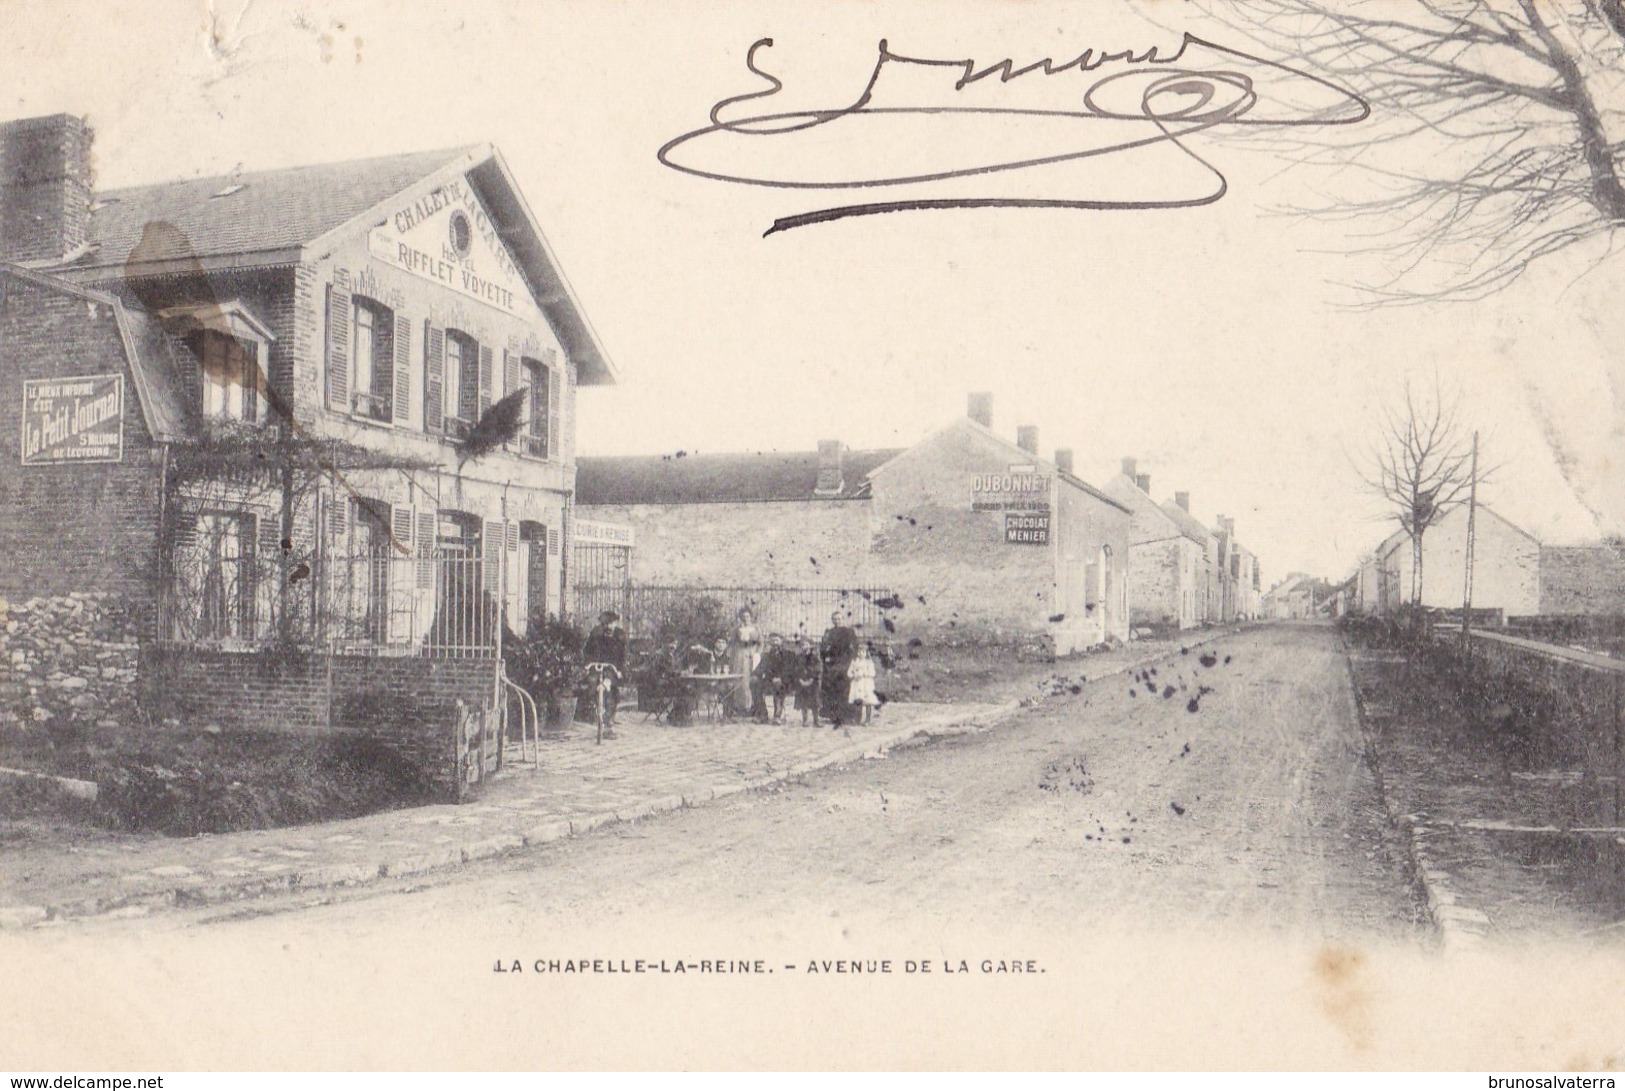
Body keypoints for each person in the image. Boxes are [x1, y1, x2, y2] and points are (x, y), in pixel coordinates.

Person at [581, 610, 627, 733]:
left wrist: (620, 670)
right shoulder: (596, 634)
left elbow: (624, 656)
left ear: (616, 623)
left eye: (611, 623)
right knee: (592, 683)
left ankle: (609, 719)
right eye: (605, 624)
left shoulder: (620, 635)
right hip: (598, 666)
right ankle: (595, 705)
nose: (608, 627)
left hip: (613, 667)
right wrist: (587, 665)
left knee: (612, 691)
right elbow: (587, 651)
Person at [819, 611, 858, 727]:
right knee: (831, 690)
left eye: (839, 619)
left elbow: (854, 648)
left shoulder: (849, 632)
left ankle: (847, 716)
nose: (837, 621)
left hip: (845, 663)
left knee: (844, 690)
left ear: (843, 620)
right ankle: (833, 715)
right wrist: (826, 658)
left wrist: (850, 661)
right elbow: (823, 648)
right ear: (832, 620)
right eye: (835, 619)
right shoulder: (829, 632)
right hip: (832, 664)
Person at [730, 607, 765, 719]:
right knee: (740, 680)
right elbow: (732, 642)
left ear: (751, 617)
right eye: (743, 616)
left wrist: (758, 654)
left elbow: (761, 642)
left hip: (753, 655)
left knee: (752, 680)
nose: (745, 618)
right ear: (741, 617)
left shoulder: (756, 628)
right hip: (740, 655)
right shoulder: (737, 629)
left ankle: (752, 707)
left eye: (748, 616)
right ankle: (741, 707)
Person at [755, 632, 795, 724]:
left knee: (777, 686)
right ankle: (763, 714)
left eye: (776, 640)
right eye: (772, 640)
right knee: (754, 684)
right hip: (769, 680)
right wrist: (755, 676)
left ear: (782, 641)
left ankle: (777, 716)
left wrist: (781, 678)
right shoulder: (766, 656)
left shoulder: (789, 655)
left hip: (784, 682)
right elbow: (760, 668)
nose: (774, 642)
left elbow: (790, 671)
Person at [847, 639, 879, 726]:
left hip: (866, 683)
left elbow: (873, 673)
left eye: (863, 651)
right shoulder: (854, 661)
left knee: (868, 701)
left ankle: (867, 720)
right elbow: (849, 672)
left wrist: (864, 674)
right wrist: (854, 675)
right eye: (859, 651)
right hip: (857, 683)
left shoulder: (868, 662)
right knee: (858, 701)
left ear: (866, 653)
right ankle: (857, 719)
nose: (861, 653)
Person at [792, 637, 822, 727]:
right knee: (803, 702)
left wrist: (811, 679)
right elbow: (795, 669)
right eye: (802, 645)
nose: (804, 647)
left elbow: (818, 669)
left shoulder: (815, 657)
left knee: (815, 702)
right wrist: (800, 680)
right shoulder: (798, 658)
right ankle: (805, 720)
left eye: (806, 644)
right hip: (801, 682)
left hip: (813, 682)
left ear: (810, 646)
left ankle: (816, 721)